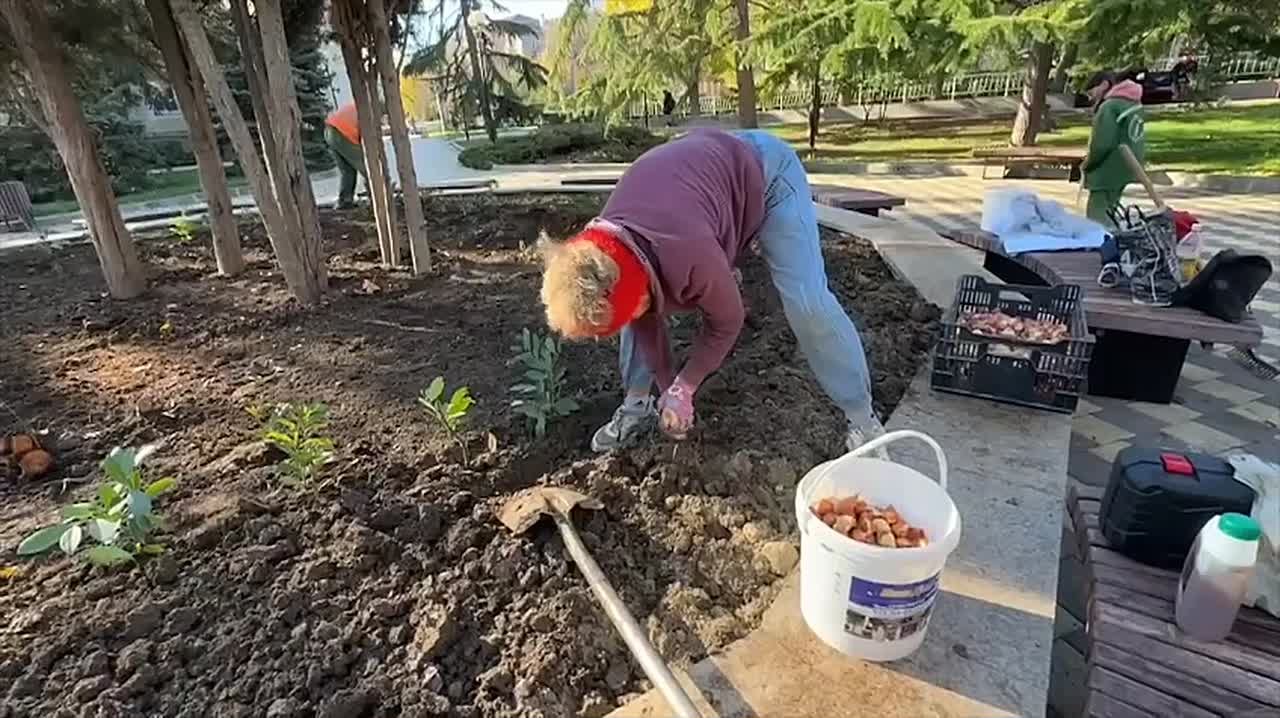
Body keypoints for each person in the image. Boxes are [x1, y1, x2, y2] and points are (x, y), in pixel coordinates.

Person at [538, 129, 884, 453]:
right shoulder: (600, 254)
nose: (602, 339)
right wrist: (666, 387)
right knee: (624, 309)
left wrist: (685, 387)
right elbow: (641, 316)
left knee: (808, 302)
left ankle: (864, 420)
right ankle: (637, 405)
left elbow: (728, 321)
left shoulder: (688, 251)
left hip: (767, 173)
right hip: (701, 175)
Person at [1081, 71, 1146, 225]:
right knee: (1111, 209)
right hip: (1128, 164)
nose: (1091, 98)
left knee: (1096, 216)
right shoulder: (1132, 103)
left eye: (1092, 92)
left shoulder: (1109, 107)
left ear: (1104, 84)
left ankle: (1101, 245)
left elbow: (1102, 143)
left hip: (1107, 168)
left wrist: (1088, 164)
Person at [325, 102, 365, 210]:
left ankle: (345, 201)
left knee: (348, 170)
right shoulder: (367, 110)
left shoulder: (357, 104)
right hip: (342, 132)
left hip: (330, 131)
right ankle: (378, 198)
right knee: (367, 167)